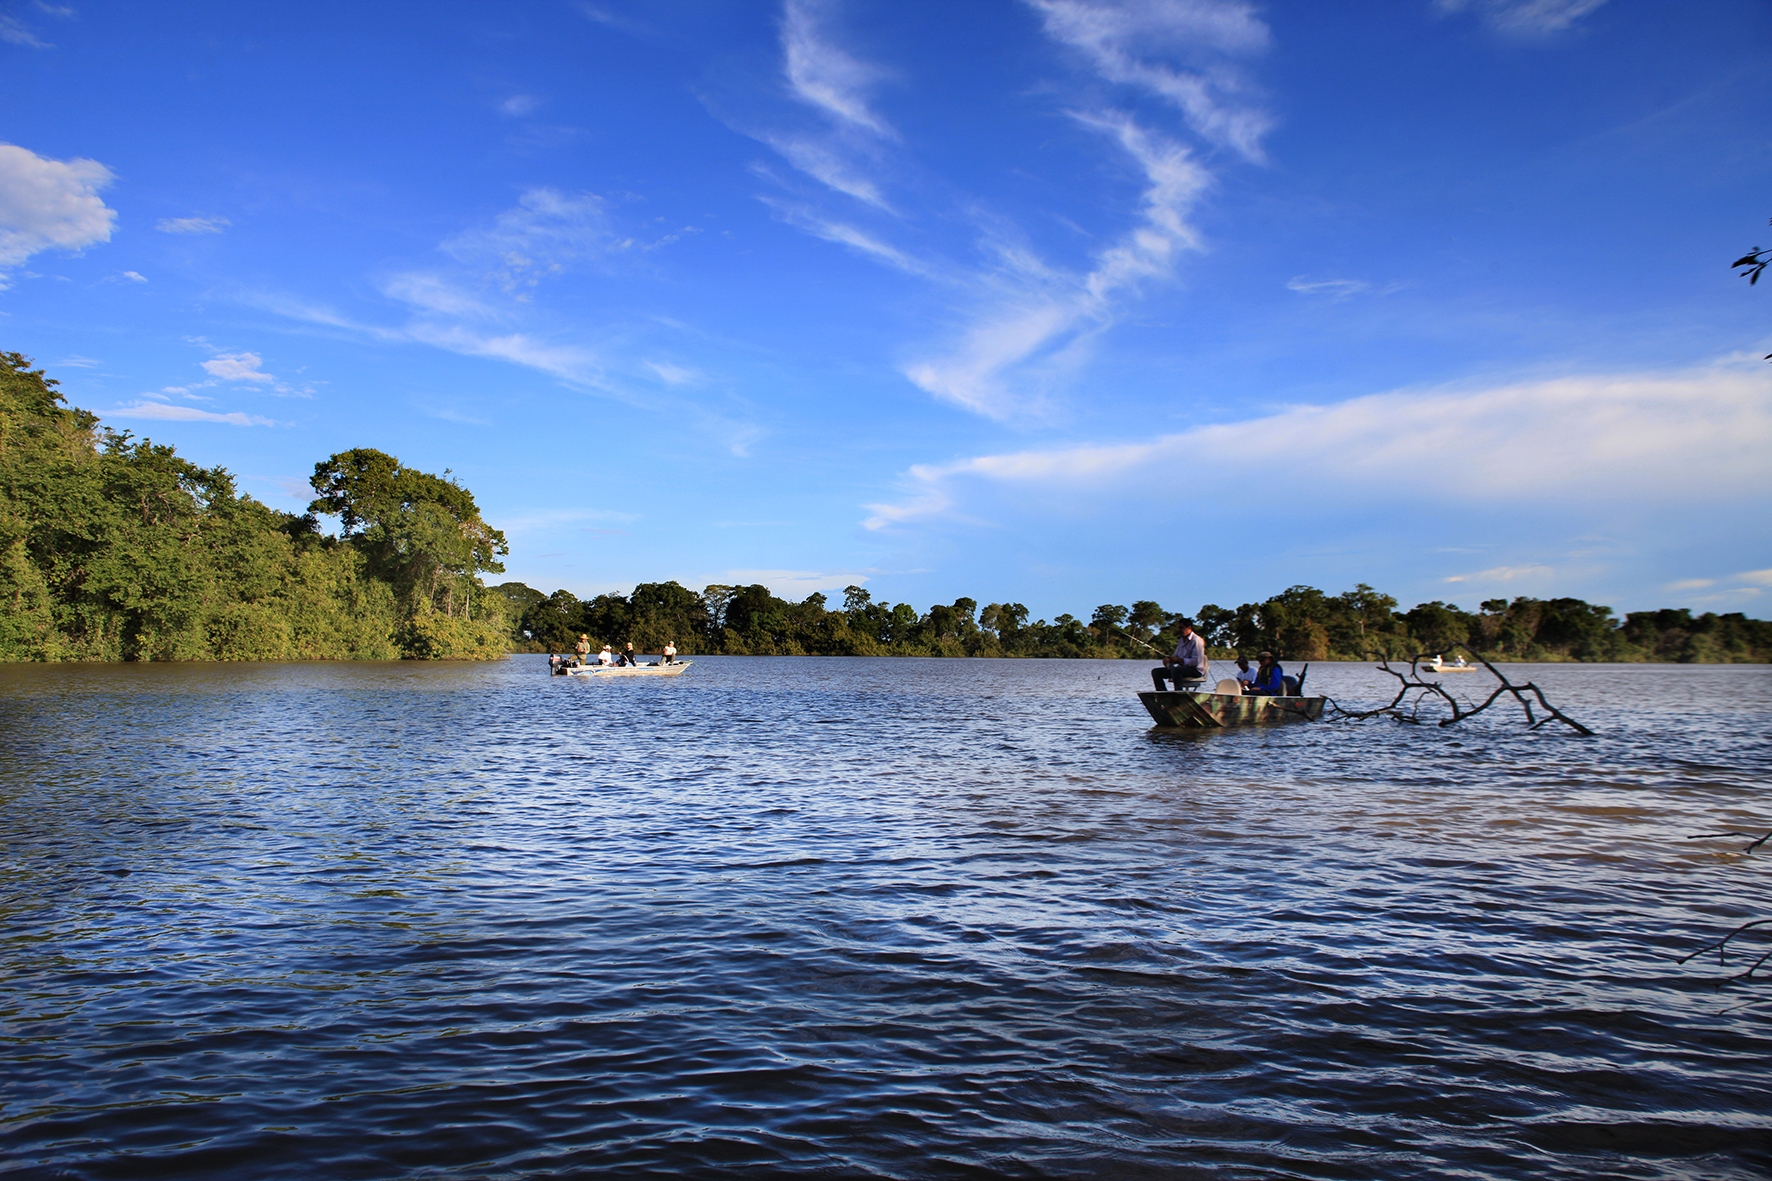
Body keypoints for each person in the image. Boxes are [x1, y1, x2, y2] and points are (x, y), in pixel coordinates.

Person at [1151, 621, 1210, 691]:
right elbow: (1176, 656)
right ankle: (1162, 695)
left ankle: (1178, 693)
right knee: (1156, 672)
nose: (1179, 630)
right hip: (1181, 669)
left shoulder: (1196, 640)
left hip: (1195, 670)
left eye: (1181, 628)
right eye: (1179, 628)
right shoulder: (1181, 640)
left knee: (1176, 670)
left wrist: (1179, 660)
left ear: (1189, 628)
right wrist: (1169, 661)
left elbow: (1196, 661)